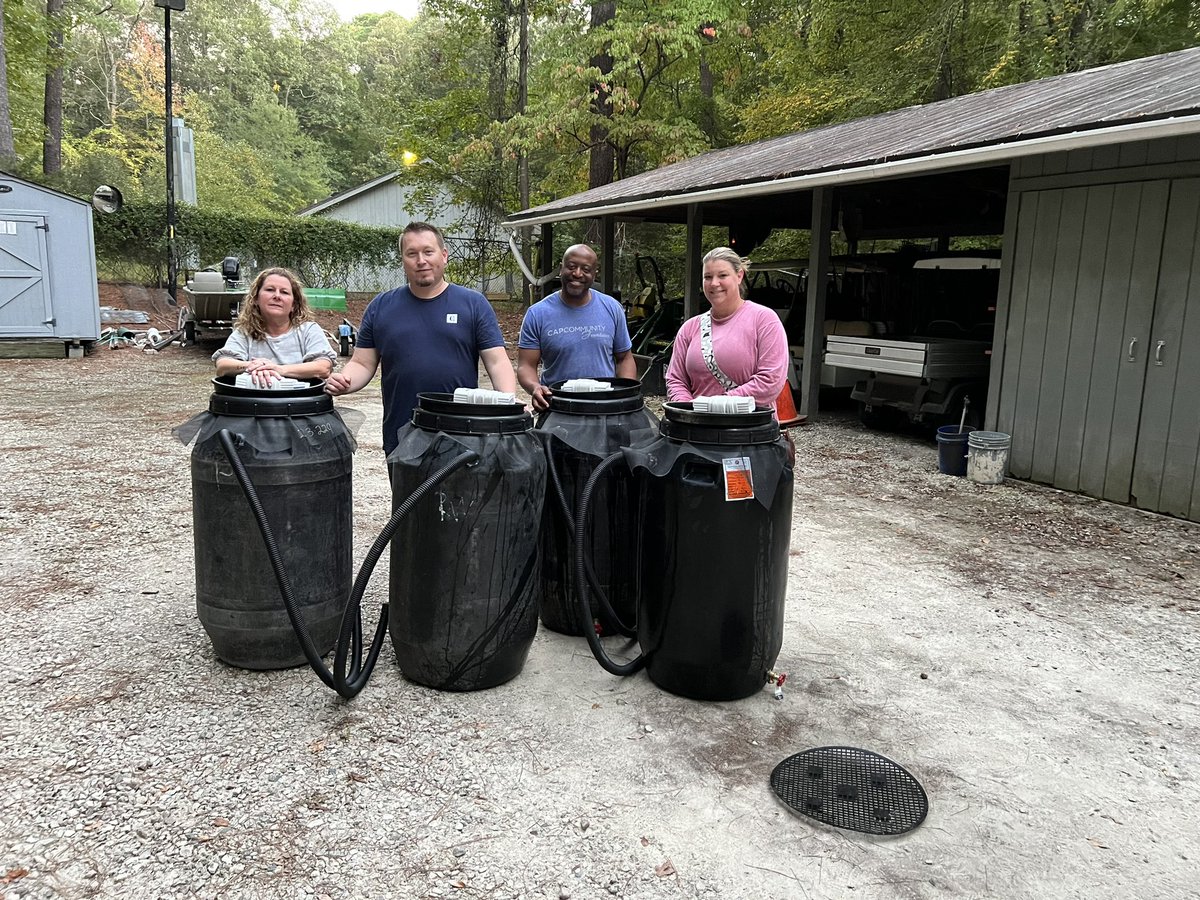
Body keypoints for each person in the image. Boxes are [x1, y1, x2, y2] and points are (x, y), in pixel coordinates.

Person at [325, 221, 517, 455]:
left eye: (428, 251)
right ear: (403, 261)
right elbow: (362, 363)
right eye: (412, 253)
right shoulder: (381, 307)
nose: (421, 260)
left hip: (462, 432)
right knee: (407, 494)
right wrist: (344, 381)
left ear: (444, 255)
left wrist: (509, 404)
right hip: (401, 431)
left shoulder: (473, 304)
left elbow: (497, 361)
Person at [665, 246, 789, 414]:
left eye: (722, 275)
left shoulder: (764, 320)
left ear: (739, 276)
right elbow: (675, 379)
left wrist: (718, 406)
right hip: (697, 429)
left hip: (748, 429)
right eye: (707, 277)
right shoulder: (690, 328)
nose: (714, 283)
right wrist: (688, 409)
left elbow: (770, 381)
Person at [517, 244, 636, 411]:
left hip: (604, 408)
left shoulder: (612, 308)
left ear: (594, 274)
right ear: (561, 268)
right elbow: (526, 366)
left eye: (586, 269)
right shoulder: (538, 314)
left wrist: (625, 394)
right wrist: (535, 387)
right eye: (571, 267)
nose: (577, 273)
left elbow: (624, 358)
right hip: (558, 408)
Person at [212, 267, 336, 387]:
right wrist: (252, 366)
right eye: (270, 290)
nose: (277, 296)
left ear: (294, 304)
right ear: (255, 299)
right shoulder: (245, 332)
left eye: (284, 292)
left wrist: (278, 369)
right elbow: (223, 365)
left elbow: (323, 367)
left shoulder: (308, 330)